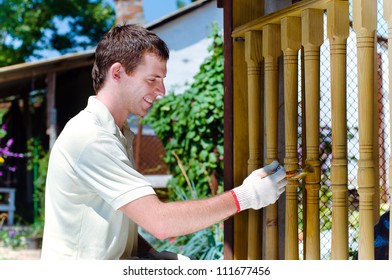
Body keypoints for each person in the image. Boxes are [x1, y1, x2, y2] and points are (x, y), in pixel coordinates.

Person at [40, 24, 287, 260]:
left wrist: (152, 254)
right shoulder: (92, 137)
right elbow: (160, 222)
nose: (162, 91)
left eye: (163, 79)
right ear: (117, 73)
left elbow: (113, 221)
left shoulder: (116, 133)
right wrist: (246, 196)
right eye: (152, 79)